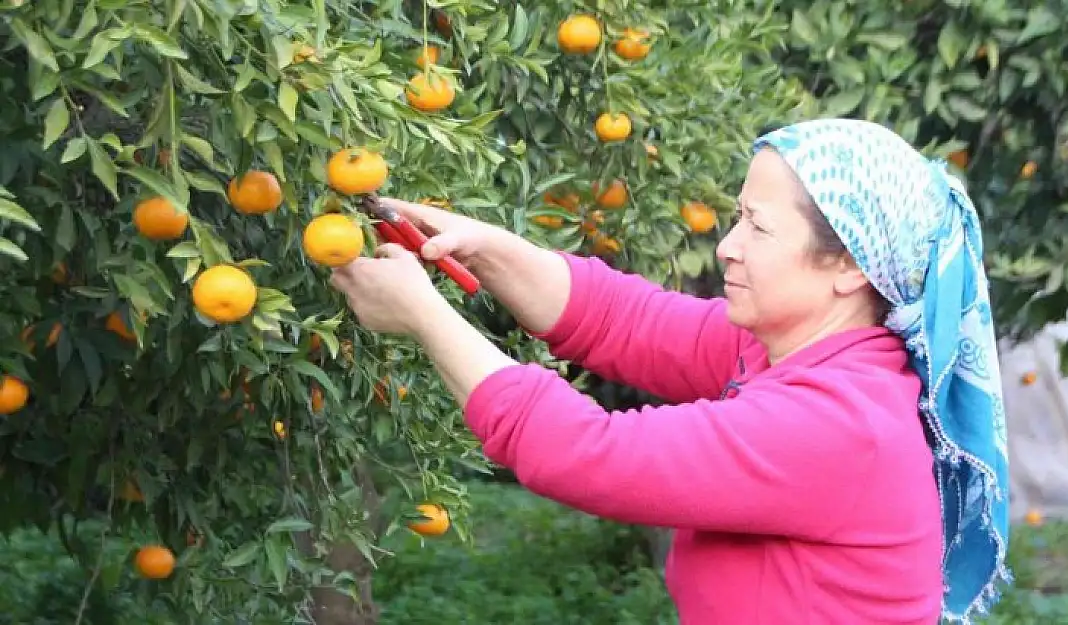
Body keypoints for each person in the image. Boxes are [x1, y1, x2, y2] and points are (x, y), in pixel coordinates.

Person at [329, 118, 1011, 624]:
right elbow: (624, 320)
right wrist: (485, 247)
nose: (728, 246)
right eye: (737, 217)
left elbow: (588, 453)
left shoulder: (840, 423)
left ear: (850, 265)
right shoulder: (793, 351)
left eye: (759, 228)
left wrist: (424, 314)